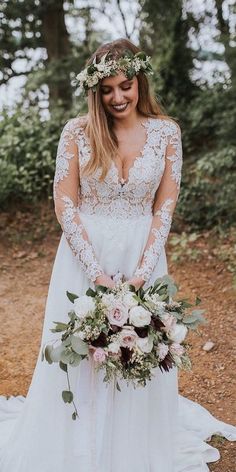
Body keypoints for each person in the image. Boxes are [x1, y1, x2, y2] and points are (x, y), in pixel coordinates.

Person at [0, 38, 235, 472]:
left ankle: (131, 448)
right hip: (82, 256)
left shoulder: (167, 132)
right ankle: (78, 445)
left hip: (142, 253)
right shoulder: (77, 131)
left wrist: (145, 271)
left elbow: (165, 205)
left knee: (136, 350)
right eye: (106, 89)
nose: (117, 97)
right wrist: (95, 272)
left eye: (125, 86)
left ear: (139, 81)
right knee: (84, 350)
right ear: (94, 90)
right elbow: (64, 203)